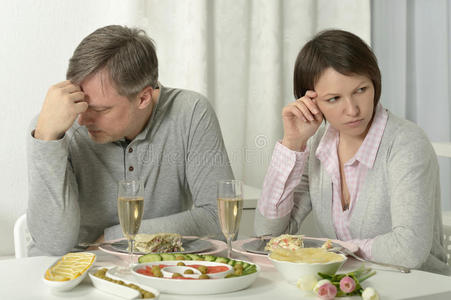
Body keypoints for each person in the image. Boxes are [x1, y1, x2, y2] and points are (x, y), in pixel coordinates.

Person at [27, 25, 233, 256]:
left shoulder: (190, 113)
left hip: (152, 272)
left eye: (100, 109)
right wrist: (46, 141)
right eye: (80, 102)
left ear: (143, 97)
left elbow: (218, 218)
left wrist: (116, 237)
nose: (82, 120)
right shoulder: (52, 126)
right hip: (65, 276)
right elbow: (52, 246)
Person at [254, 29, 448, 274]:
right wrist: (293, 144)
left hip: (419, 289)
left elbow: (409, 250)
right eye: (334, 98)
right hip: (350, 287)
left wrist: (334, 250)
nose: (353, 110)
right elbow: (267, 235)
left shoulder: (406, 144)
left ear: (374, 82)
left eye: (361, 90)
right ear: (311, 103)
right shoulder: (319, 146)